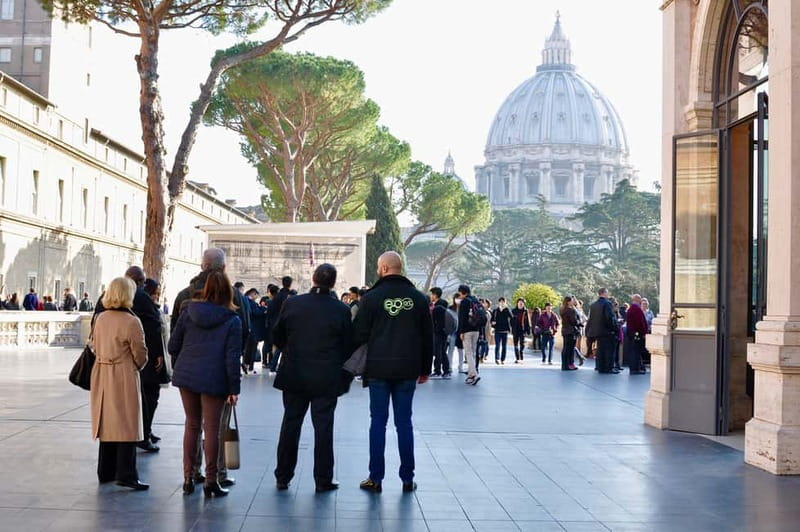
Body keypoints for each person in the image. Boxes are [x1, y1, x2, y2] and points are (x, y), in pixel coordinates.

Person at [354, 251, 433, 493]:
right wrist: (425, 369)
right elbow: (428, 337)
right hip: (408, 369)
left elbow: (358, 334)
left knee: (378, 422)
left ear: (385, 269)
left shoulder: (371, 298)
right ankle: (407, 478)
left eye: (379, 267)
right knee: (404, 423)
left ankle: (375, 478)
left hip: (378, 369)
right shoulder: (419, 298)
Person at [272, 264, 353, 492]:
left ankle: (283, 475)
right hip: (326, 377)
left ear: (313, 279)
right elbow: (348, 345)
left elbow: (277, 335)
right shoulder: (341, 309)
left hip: (295, 373)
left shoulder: (293, 303)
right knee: (324, 428)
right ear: (333, 283)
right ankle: (323, 479)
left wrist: (290, 350)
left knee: (291, 424)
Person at [170, 248, 247, 488]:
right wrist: (234, 388)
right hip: (215, 378)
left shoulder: (187, 309)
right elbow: (232, 357)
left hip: (187, 376)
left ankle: (188, 477)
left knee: (192, 425)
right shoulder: (232, 319)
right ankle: (212, 480)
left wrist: (184, 361)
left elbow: (173, 345)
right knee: (212, 428)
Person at [90, 277, 149, 490]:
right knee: (127, 423)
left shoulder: (100, 318)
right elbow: (140, 353)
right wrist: (136, 366)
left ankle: (105, 470)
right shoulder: (131, 321)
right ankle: (126, 474)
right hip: (123, 373)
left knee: (107, 422)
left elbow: (93, 344)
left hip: (101, 372)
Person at [586, 288, 619, 374]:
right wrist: (614, 328)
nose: (608, 295)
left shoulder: (593, 305)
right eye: (607, 293)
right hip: (607, 331)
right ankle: (609, 367)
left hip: (597, 331)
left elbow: (591, 319)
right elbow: (609, 318)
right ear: (604, 293)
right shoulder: (607, 303)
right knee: (609, 350)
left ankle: (601, 367)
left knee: (600, 350)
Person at [457, 284, 483, 384]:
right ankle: (471, 375)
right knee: (473, 352)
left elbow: (462, 318)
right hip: (476, 330)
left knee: (468, 353)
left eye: (459, 292)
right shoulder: (475, 301)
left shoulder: (464, 302)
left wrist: (461, 332)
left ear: (463, 292)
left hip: (467, 331)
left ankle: (474, 374)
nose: (459, 295)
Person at [429, 287, 451, 379]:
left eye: (431, 294)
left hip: (438, 331)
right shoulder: (444, 303)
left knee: (438, 352)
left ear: (435, 295)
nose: (430, 296)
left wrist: (435, 329)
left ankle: (437, 371)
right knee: (442, 351)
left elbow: (437, 320)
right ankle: (446, 371)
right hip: (444, 331)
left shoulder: (438, 305)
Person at [243, 288, 266, 375]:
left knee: (248, 348)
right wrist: (263, 309)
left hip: (249, 328)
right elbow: (256, 313)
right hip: (254, 329)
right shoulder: (251, 303)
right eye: (256, 295)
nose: (256, 297)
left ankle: (246, 365)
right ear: (253, 294)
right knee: (252, 349)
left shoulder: (246, 301)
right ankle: (251, 367)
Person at [624, 294, 648, 374]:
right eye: (640, 299)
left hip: (631, 332)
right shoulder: (637, 309)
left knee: (633, 350)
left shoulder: (630, 309)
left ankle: (634, 368)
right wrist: (644, 332)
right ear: (638, 300)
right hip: (637, 333)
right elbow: (640, 322)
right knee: (636, 351)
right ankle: (635, 369)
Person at [559, 296, 579, 371]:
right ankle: (569, 364)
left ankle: (564, 365)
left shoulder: (562, 310)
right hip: (571, 331)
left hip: (565, 330)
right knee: (570, 349)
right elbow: (574, 321)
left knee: (565, 348)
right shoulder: (570, 310)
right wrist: (579, 322)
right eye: (572, 301)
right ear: (568, 302)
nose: (573, 302)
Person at [491, 297, 513, 364]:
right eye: (501, 302)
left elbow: (511, 317)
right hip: (497, 330)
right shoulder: (495, 311)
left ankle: (502, 359)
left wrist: (506, 309)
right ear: (499, 303)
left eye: (503, 302)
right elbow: (491, 320)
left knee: (504, 346)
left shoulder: (507, 310)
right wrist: (492, 323)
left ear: (505, 303)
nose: (502, 303)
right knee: (497, 345)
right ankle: (497, 358)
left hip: (505, 331)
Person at [511, 298, 531, 363]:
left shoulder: (525, 311)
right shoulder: (513, 311)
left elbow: (528, 321)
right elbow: (511, 320)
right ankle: (517, 357)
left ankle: (521, 352)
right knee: (515, 344)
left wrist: (528, 329)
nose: (520, 304)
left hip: (522, 330)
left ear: (523, 304)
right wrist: (512, 328)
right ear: (517, 303)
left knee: (522, 343)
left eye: (522, 303)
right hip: (515, 329)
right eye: (519, 302)